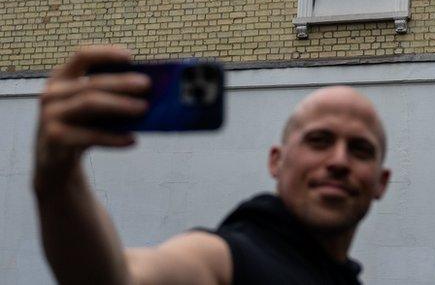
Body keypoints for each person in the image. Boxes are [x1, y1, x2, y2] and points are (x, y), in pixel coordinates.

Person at [33, 45, 391, 285]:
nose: (339, 161)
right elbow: (117, 277)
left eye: (360, 149)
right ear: (276, 161)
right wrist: (57, 181)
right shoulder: (227, 259)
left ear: (381, 182)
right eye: (319, 141)